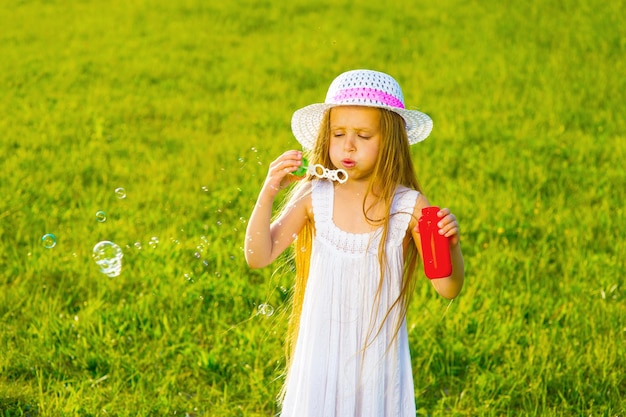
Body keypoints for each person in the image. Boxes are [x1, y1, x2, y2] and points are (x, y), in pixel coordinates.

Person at [245, 69, 464, 417]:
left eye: (363, 135)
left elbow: (447, 287)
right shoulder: (314, 196)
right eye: (338, 133)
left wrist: (451, 246)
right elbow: (258, 255)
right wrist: (269, 191)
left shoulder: (408, 206)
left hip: (377, 363)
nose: (348, 145)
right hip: (321, 355)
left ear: (391, 141)